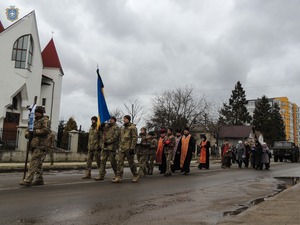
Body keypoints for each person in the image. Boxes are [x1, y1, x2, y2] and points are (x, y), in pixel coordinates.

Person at [20, 106, 51, 186]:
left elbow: (46, 130)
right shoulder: (33, 120)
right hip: (33, 145)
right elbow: (28, 129)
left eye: (36, 112)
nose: (35, 114)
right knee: (38, 163)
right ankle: (39, 179)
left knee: (34, 161)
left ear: (40, 113)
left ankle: (28, 180)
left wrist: (35, 132)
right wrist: (27, 134)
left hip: (41, 145)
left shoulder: (45, 120)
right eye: (35, 112)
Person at [112, 115, 139, 183]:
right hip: (122, 148)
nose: (124, 120)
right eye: (123, 119)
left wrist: (132, 148)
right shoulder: (122, 128)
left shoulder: (133, 127)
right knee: (119, 163)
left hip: (129, 148)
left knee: (131, 163)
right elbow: (120, 138)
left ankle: (135, 175)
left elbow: (134, 138)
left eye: (125, 119)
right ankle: (119, 177)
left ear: (128, 119)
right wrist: (119, 147)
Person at [94, 117, 119, 181]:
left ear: (114, 121)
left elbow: (115, 137)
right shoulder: (106, 126)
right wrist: (100, 125)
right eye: (110, 119)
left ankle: (117, 174)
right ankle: (101, 175)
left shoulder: (116, 127)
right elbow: (99, 130)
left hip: (111, 148)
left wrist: (107, 142)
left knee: (113, 162)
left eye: (112, 120)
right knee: (102, 162)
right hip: (105, 147)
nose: (110, 120)